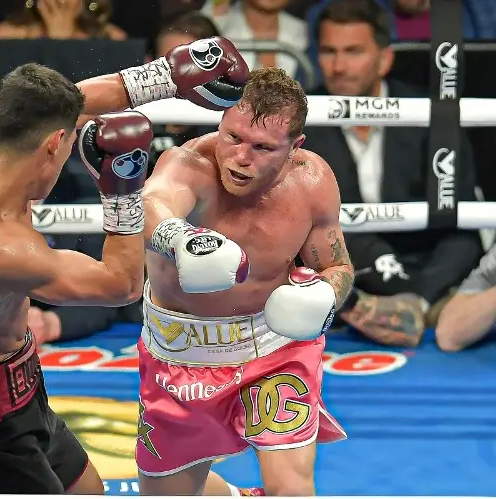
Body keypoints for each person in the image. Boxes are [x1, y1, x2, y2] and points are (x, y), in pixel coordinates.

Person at [0, 37, 249, 494]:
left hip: (18, 390)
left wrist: (167, 76)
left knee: (90, 491)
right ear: (54, 145)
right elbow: (122, 284)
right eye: (70, 142)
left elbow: (76, 99)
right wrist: (121, 193)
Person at [136, 67, 353, 496]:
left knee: (290, 490)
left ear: (295, 148)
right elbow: (152, 204)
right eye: (233, 137)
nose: (240, 157)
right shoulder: (188, 164)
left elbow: (338, 265)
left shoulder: (312, 180)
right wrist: (182, 240)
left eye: (263, 147)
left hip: (274, 349)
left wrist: (327, 294)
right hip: (182, 355)